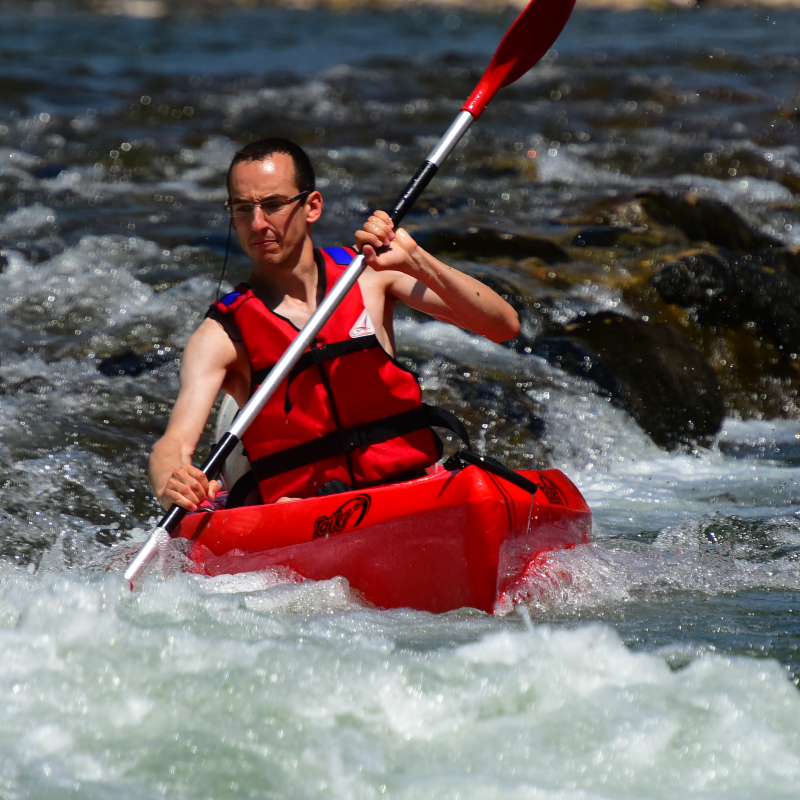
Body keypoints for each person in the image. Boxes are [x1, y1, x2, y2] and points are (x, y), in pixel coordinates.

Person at [149, 138, 520, 511]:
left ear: (312, 206)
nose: (258, 223)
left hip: (409, 491)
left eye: (274, 205)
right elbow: (174, 444)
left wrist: (418, 261)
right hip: (309, 516)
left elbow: (503, 326)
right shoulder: (223, 334)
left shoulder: (370, 276)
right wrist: (172, 482)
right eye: (244, 209)